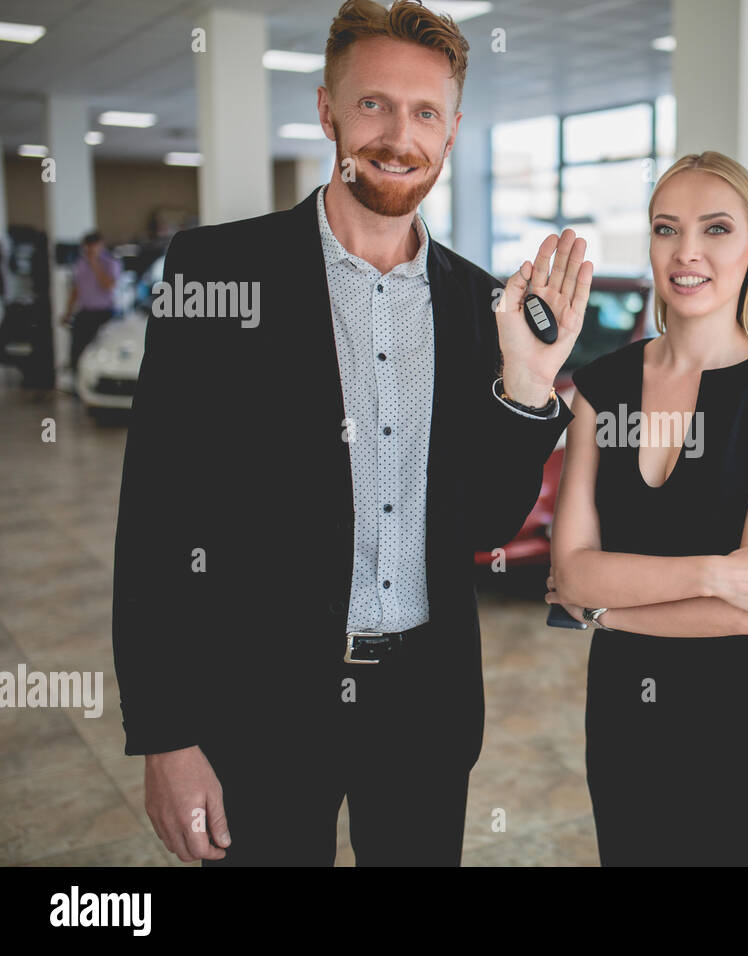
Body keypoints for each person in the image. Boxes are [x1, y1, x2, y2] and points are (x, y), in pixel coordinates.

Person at [112, 0, 592, 866]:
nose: (397, 134)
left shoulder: (482, 306)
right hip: (256, 704)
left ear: (449, 134)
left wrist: (527, 380)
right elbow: (156, 518)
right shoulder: (217, 274)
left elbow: (484, 525)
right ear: (327, 110)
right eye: (373, 104)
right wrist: (166, 734)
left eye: (424, 113)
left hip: (425, 706)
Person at [546, 151, 748, 866]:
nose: (687, 251)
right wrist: (718, 572)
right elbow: (572, 576)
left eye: (717, 229)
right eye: (666, 229)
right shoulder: (602, 385)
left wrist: (609, 612)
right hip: (626, 727)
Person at [62, 230, 121, 376]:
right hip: (85, 311)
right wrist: (68, 311)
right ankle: (77, 383)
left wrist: (95, 264)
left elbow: (108, 285)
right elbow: (76, 289)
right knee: (77, 351)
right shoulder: (80, 263)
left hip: (103, 313)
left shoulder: (111, 263)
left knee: (100, 350)